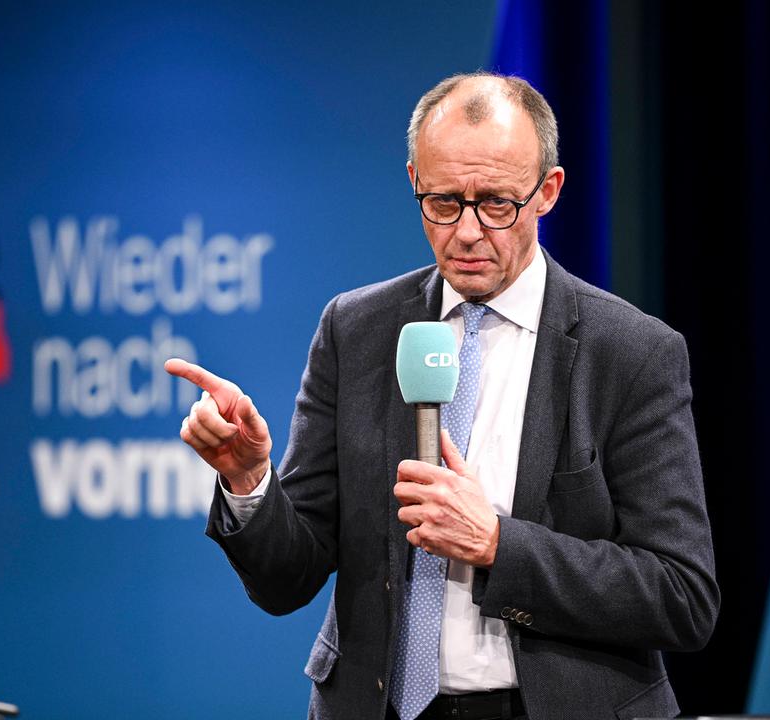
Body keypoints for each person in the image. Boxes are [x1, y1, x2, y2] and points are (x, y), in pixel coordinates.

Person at [165, 72, 719, 720]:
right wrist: (249, 480)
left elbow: (681, 596)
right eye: (444, 202)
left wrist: (498, 544)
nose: (467, 232)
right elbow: (288, 579)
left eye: (497, 204)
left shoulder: (631, 353)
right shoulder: (355, 331)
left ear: (547, 191)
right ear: (414, 181)